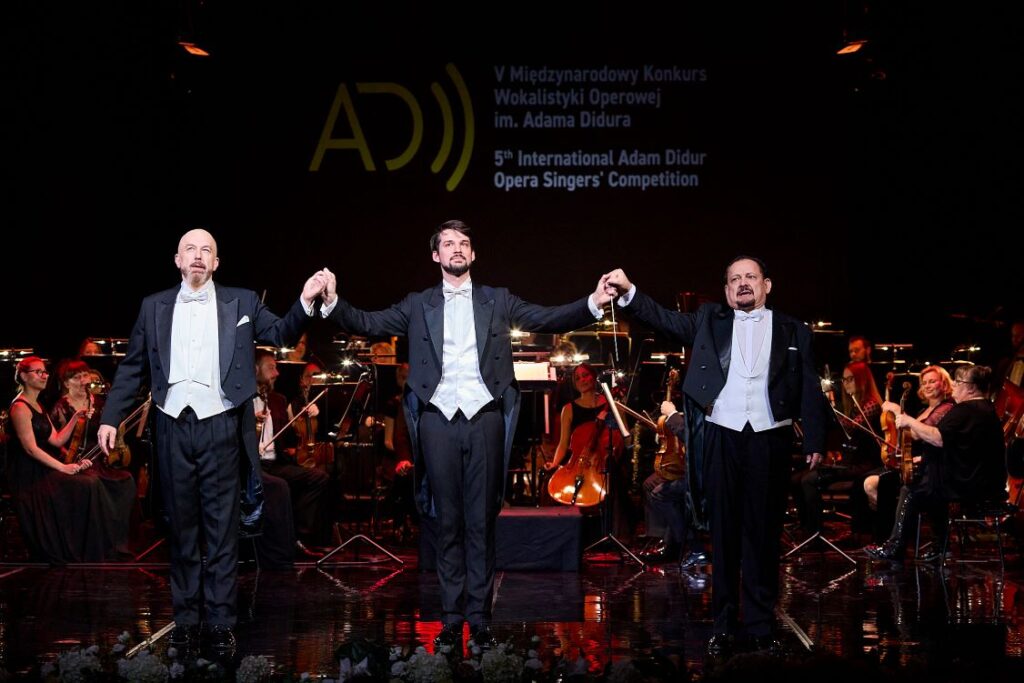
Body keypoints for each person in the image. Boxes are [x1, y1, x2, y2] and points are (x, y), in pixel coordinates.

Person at [318, 219, 604, 652]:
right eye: (448, 243)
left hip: (485, 416)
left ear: (472, 256)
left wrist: (594, 302)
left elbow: (548, 316)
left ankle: (480, 619)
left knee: (481, 522)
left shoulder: (498, 299)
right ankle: (452, 620)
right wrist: (332, 300)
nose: (456, 249)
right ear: (436, 255)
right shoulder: (418, 304)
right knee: (446, 520)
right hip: (436, 419)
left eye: (464, 244)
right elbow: (368, 322)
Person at [98, 228, 327, 656]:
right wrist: (111, 417)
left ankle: (221, 621)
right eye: (191, 249)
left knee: (221, 531)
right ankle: (185, 619)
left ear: (216, 263)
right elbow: (132, 368)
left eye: (207, 250)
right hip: (171, 424)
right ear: (178, 260)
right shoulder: (153, 307)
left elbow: (279, 334)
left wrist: (304, 298)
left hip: (221, 424)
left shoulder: (240, 301)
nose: (199, 256)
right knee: (181, 528)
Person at [602, 257, 826, 657]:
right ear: (726, 291)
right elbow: (665, 321)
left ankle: (760, 624)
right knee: (723, 535)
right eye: (734, 279)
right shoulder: (709, 319)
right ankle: (723, 624)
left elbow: (809, 384)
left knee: (763, 534)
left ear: (766, 285)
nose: (743, 284)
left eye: (750, 278)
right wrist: (630, 290)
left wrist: (814, 439)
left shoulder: (794, 329)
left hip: (770, 438)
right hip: (721, 436)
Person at [865, 364, 1006, 564]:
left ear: (972, 387)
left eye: (959, 382)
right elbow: (961, 449)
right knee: (929, 483)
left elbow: (938, 438)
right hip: (986, 484)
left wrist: (908, 421)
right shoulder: (986, 409)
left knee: (913, 489)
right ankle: (941, 547)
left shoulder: (965, 409)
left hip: (971, 486)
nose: (955, 386)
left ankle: (895, 547)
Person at [6, 357, 130, 564]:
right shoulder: (20, 407)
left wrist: (76, 417)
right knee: (88, 484)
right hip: (29, 475)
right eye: (38, 372)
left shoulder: (37, 405)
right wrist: (65, 468)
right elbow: (30, 449)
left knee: (92, 482)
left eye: (45, 372)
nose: (44, 375)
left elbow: (56, 440)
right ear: (24, 376)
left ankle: (96, 546)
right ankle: (82, 548)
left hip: (42, 468)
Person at [49, 360, 136, 554]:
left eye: (85, 375)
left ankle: (116, 541)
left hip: (100, 459)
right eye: (76, 377)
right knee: (93, 483)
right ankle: (96, 544)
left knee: (127, 480)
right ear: (66, 383)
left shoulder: (100, 403)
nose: (83, 380)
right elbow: (55, 442)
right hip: (74, 460)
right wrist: (72, 460)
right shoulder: (61, 407)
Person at [862, 365, 955, 539]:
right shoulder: (923, 410)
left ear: (944, 384)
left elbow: (919, 433)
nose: (927, 386)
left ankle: (896, 534)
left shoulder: (945, 408)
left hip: (931, 469)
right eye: (924, 382)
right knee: (868, 481)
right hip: (913, 464)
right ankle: (892, 531)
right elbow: (908, 434)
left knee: (881, 483)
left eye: (932, 381)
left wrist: (900, 412)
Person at [791, 361, 881, 538]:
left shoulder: (871, 405)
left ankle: (815, 532)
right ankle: (805, 525)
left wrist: (827, 413)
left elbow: (850, 428)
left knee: (808, 480)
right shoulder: (853, 406)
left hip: (864, 464)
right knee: (795, 479)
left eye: (850, 379)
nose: (846, 384)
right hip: (848, 462)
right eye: (844, 380)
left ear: (862, 380)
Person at [254, 349, 330, 553]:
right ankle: (283, 539)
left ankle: (297, 535)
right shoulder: (243, 401)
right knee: (280, 486)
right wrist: (252, 422)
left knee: (318, 477)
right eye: (271, 368)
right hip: (253, 465)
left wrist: (308, 416)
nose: (277, 373)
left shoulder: (278, 400)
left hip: (276, 463)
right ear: (255, 370)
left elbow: (288, 436)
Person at [544, 363, 631, 539]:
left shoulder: (611, 405)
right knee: (550, 480)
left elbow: (625, 436)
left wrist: (609, 453)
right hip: (578, 461)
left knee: (613, 477)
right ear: (574, 384)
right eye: (578, 378)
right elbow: (563, 443)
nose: (582, 380)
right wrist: (555, 463)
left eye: (585, 375)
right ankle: (566, 535)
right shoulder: (568, 409)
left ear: (594, 377)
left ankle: (615, 535)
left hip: (605, 461)